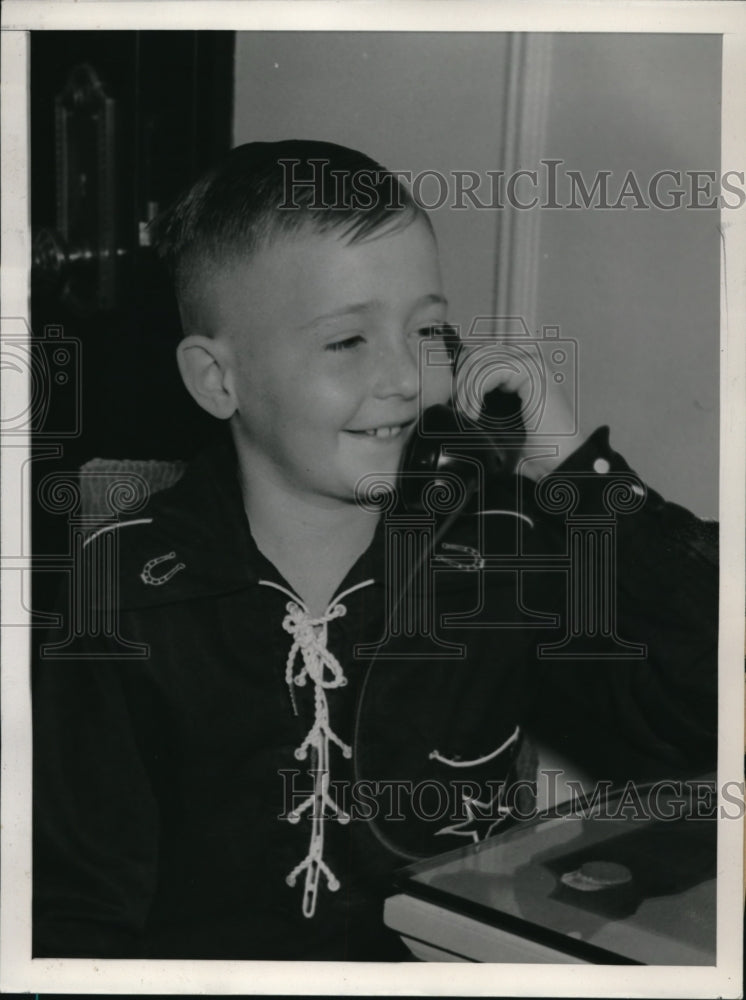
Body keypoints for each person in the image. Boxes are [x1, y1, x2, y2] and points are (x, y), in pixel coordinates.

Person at [32, 140, 718, 961]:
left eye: (427, 329)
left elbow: (710, 702)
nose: (406, 377)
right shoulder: (123, 597)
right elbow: (72, 920)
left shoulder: (495, 556)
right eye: (347, 341)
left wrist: (577, 474)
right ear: (220, 380)